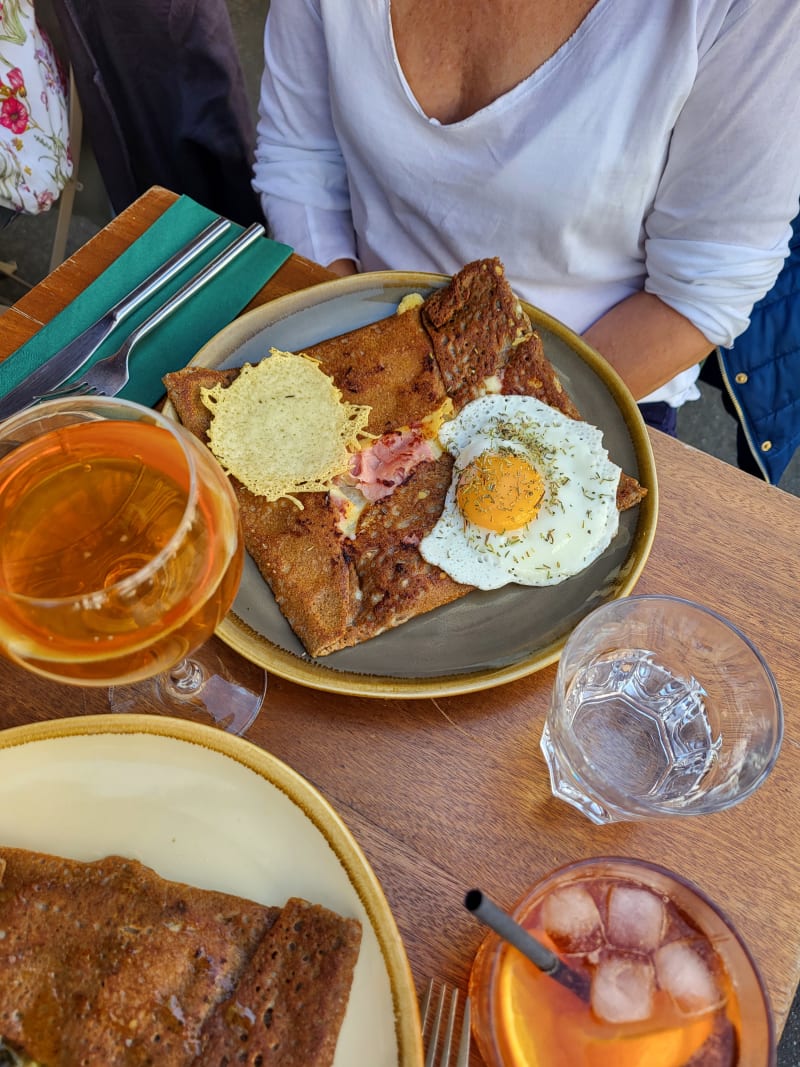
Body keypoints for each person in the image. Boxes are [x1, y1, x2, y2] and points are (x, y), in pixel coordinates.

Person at [252, 1, 800, 437]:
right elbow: (301, 159)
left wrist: (457, 438)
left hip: (589, 391)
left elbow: (699, 293)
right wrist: (357, 352)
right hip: (361, 336)